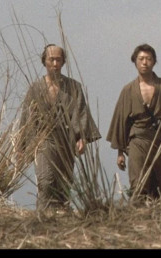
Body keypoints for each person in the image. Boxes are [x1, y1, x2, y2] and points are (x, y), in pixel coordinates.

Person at [17, 44, 101, 212]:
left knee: (63, 182)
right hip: (44, 138)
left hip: (66, 139)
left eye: (58, 60)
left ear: (63, 62)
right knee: (46, 180)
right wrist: (21, 148)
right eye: (51, 59)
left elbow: (80, 112)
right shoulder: (35, 88)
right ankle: (44, 214)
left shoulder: (74, 87)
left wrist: (82, 138)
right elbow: (27, 119)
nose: (55, 64)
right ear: (44, 61)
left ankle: (61, 216)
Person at [106, 43, 161, 200]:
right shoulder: (128, 90)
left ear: (154, 61)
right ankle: (138, 211)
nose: (145, 62)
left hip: (160, 139)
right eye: (141, 59)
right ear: (135, 61)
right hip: (138, 139)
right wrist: (120, 152)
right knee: (138, 183)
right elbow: (121, 121)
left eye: (148, 59)